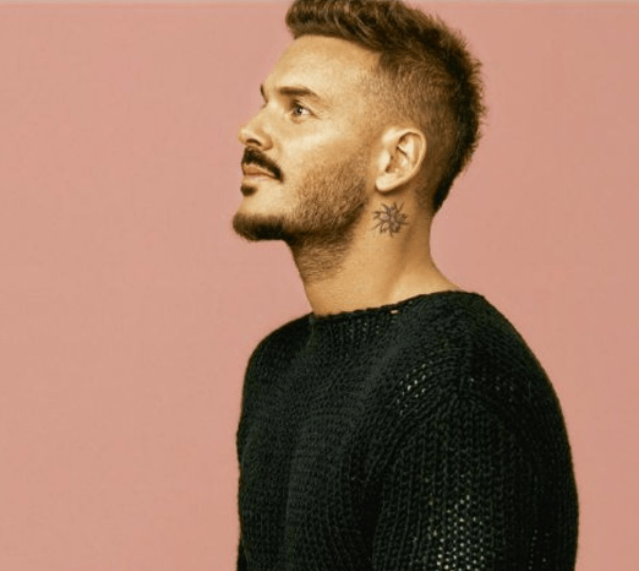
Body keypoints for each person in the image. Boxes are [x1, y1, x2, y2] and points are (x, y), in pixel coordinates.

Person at [231, 0, 579, 569]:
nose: (251, 130)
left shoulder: (456, 382)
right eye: (265, 102)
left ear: (396, 161)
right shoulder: (278, 365)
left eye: (299, 110)